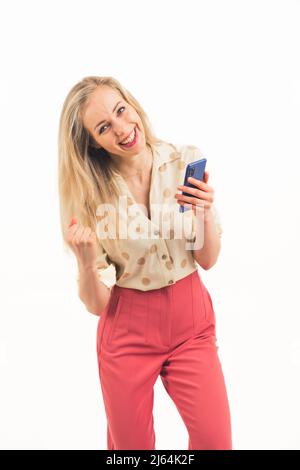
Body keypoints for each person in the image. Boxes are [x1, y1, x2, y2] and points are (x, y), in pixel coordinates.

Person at [58, 75, 232, 450]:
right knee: (132, 452)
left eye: (121, 110)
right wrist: (86, 260)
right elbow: (97, 304)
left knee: (215, 442)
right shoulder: (91, 198)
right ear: (92, 142)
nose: (122, 129)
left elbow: (208, 259)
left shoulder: (183, 160)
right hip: (127, 331)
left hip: (192, 323)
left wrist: (204, 211)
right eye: (104, 127)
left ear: (132, 103)